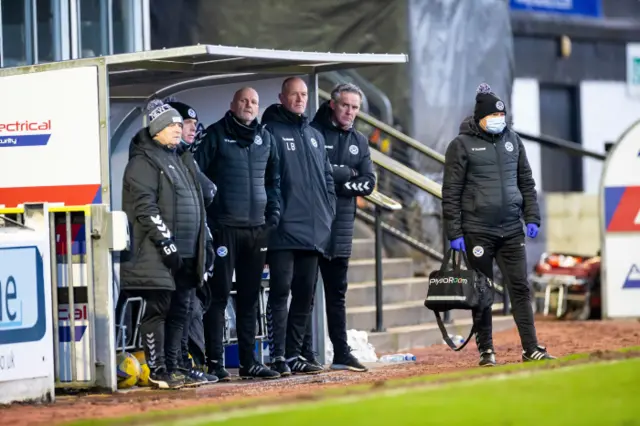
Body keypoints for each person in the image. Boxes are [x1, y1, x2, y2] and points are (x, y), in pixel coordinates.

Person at [441, 83, 556, 367]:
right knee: (482, 291)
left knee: (520, 288)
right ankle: (486, 350)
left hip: (511, 229)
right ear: (480, 117)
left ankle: (531, 347)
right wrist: (454, 232)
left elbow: (526, 183)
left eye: (502, 116)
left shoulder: (513, 141)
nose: (498, 120)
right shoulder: (461, 145)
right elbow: (451, 191)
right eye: (493, 116)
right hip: (477, 231)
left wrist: (532, 216)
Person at [120, 99, 213, 389]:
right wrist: (167, 244)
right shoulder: (143, 161)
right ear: (157, 129)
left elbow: (197, 204)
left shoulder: (180, 158)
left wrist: (203, 244)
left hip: (185, 252)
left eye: (179, 124)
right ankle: (158, 370)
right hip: (156, 253)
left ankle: (176, 366)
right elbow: (145, 208)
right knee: (158, 309)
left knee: (180, 310)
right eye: (172, 125)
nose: (178, 129)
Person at [194, 87, 282, 380]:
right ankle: (215, 362)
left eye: (254, 101)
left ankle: (249, 361)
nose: (248, 105)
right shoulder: (217, 134)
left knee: (248, 298)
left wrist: (273, 216)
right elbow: (195, 175)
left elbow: (274, 181)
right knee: (218, 297)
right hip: (225, 230)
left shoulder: (265, 138)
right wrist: (211, 219)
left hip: (256, 231)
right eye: (243, 100)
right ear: (233, 104)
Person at [297, 83, 376, 372]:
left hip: (341, 229)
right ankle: (303, 353)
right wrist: (345, 176)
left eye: (355, 107)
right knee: (304, 292)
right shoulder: (313, 132)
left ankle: (341, 352)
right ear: (333, 104)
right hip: (311, 226)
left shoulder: (360, 140)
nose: (350, 112)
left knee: (337, 295)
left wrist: (337, 181)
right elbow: (312, 176)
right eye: (346, 105)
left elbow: (368, 182)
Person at [262, 77, 336, 376]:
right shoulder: (270, 132)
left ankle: (294, 354)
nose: (300, 99)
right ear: (282, 97)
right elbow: (265, 179)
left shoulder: (315, 134)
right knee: (280, 293)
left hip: (313, 229)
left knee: (305, 294)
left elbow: (328, 178)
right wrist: (272, 217)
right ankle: (277, 355)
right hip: (282, 230)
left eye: (304, 94)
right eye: (294, 94)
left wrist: (328, 212)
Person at [163, 97, 219, 385]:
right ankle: (177, 365)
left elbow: (207, 191)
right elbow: (206, 191)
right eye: (186, 124)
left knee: (190, 306)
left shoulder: (186, 156)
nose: (192, 129)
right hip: (174, 249)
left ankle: (186, 363)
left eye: (194, 125)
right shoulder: (164, 157)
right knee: (180, 309)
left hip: (193, 247)